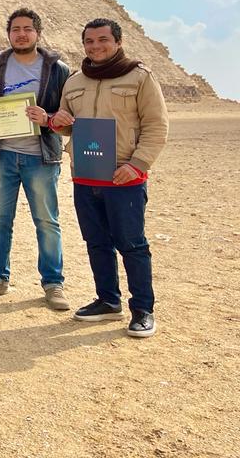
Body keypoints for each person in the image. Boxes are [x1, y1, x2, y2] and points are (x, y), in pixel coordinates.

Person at [50, 18, 168, 337]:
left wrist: (137, 164)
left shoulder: (139, 77)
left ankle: (142, 309)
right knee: (97, 242)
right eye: (89, 41)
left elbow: (156, 125)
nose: (96, 46)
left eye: (103, 40)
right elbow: (69, 126)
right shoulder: (75, 81)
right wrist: (58, 122)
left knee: (131, 244)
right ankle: (107, 300)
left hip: (123, 177)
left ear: (118, 42)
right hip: (86, 177)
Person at [0, 9, 71, 310]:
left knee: (47, 222)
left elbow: (68, 114)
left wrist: (47, 118)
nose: (22, 34)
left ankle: (53, 283)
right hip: (3, 156)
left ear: (38, 33)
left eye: (28, 29)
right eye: (16, 29)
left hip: (41, 157)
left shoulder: (58, 69)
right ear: (9, 33)